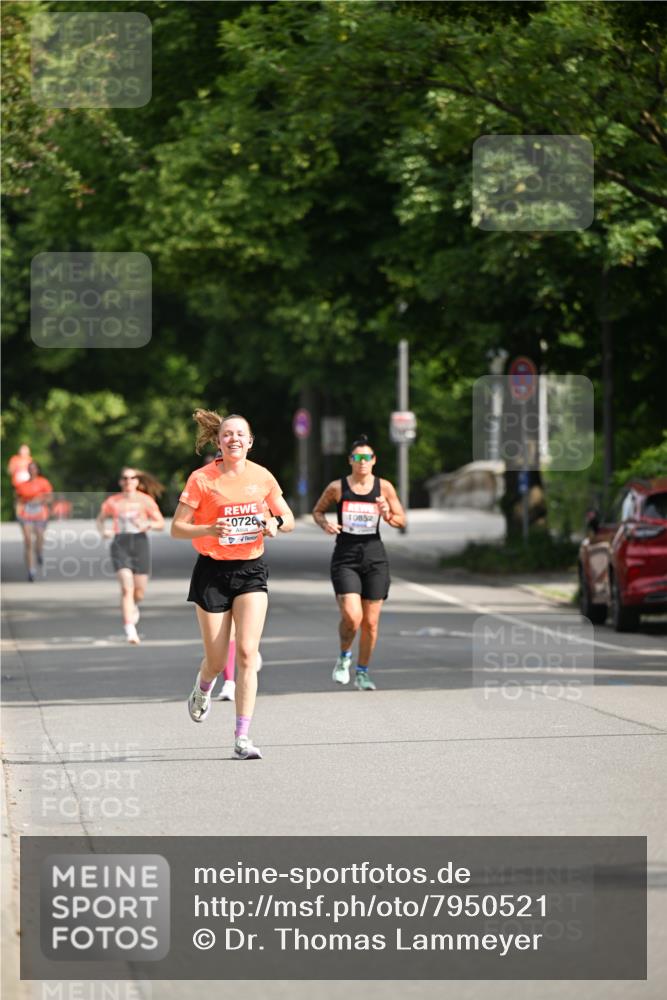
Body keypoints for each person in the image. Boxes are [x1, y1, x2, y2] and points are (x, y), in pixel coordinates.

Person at [171, 410, 294, 760]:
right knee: (214, 659)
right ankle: (203, 686)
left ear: (250, 442)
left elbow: (288, 518)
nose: (234, 439)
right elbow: (177, 528)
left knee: (246, 653)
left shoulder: (262, 476)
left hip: (251, 569)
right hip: (212, 571)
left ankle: (242, 736)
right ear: (218, 441)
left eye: (240, 434)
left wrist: (274, 523)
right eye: (227, 434)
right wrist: (209, 529)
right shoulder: (201, 479)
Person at [312, 434, 406, 691]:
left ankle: (362, 672)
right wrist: (325, 523)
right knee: (353, 618)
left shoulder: (384, 487)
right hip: (346, 557)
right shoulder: (337, 487)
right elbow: (317, 511)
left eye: (367, 457)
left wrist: (387, 514)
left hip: (375, 558)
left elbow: (401, 520)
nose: (362, 461)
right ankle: (344, 656)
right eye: (358, 457)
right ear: (350, 460)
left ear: (374, 460)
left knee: (371, 623)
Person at [96, 468, 165, 644]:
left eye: (132, 478)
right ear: (121, 482)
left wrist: (148, 524)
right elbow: (100, 519)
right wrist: (103, 531)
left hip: (140, 543)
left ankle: (133, 605)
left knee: (139, 592)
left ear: (137, 481)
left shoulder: (145, 500)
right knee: (127, 588)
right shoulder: (113, 501)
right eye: (125, 478)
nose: (128, 481)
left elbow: (160, 523)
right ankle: (130, 630)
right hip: (120, 543)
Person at [15, 461, 53, 581]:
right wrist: (18, 512)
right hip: (26, 514)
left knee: (39, 535)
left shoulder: (44, 482)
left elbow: (50, 498)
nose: (32, 470)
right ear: (28, 470)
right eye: (30, 468)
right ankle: (31, 570)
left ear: (38, 470)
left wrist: (40, 501)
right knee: (28, 541)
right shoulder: (22, 485)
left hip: (40, 513)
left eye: (34, 468)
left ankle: (39, 552)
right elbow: (18, 500)